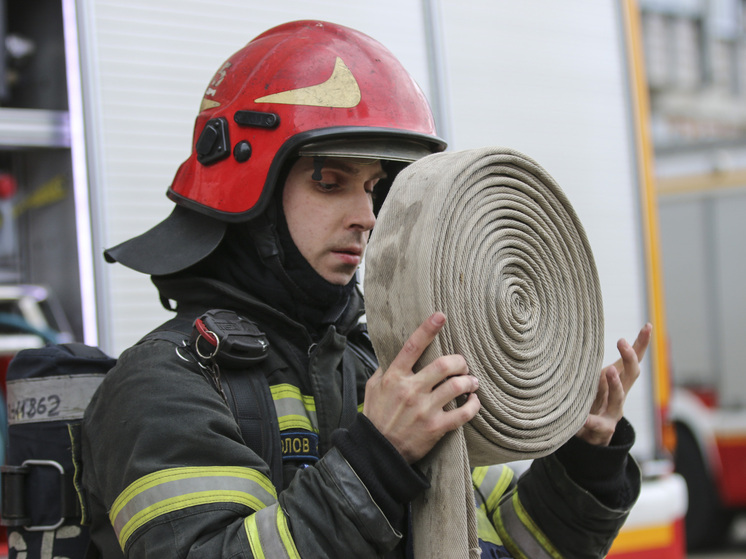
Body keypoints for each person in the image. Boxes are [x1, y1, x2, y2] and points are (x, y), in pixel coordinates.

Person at [81, 19, 650, 559]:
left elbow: (504, 545)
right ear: (247, 186)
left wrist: (585, 458)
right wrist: (376, 459)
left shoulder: (386, 373)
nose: (367, 216)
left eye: (375, 187)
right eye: (330, 182)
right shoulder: (163, 385)